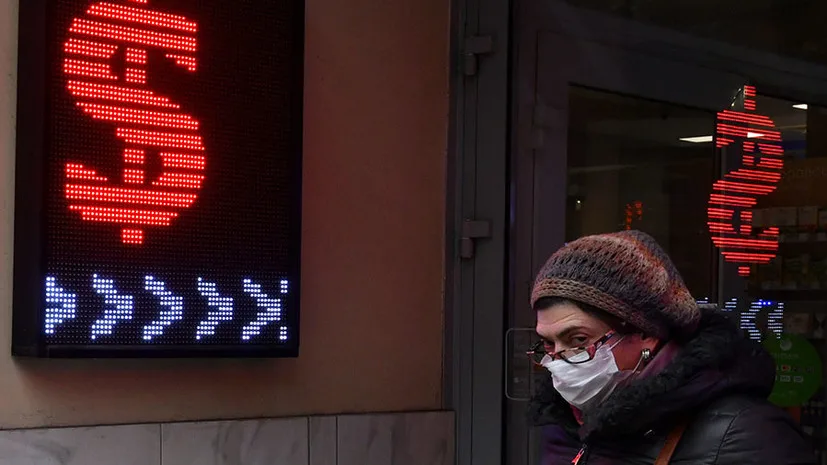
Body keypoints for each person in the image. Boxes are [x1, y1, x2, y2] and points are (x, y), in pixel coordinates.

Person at [527, 230, 815, 465]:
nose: (558, 362)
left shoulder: (747, 434)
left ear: (646, 333)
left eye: (579, 340)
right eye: (549, 343)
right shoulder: (569, 424)